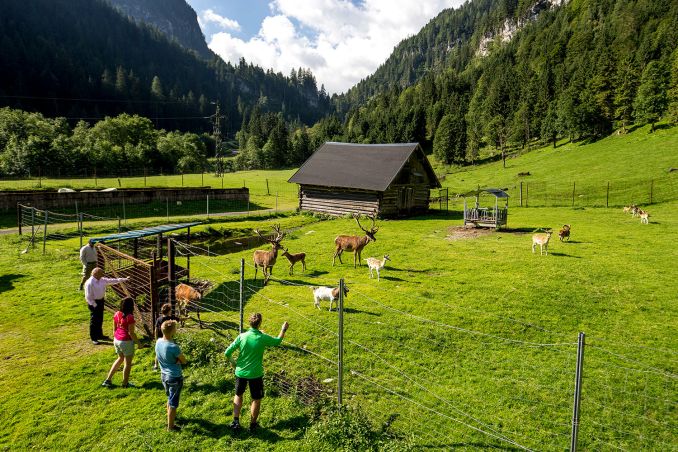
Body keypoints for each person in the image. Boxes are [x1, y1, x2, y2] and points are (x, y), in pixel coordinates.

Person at [225, 313, 289, 432]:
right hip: (255, 374)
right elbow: (277, 341)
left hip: (240, 372)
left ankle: (235, 422)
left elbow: (227, 352)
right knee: (256, 399)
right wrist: (283, 329)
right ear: (260, 323)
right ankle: (253, 425)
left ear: (249, 323)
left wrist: (234, 363)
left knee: (238, 395)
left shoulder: (242, 336)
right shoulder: (262, 337)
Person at [155, 319, 187, 431]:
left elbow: (159, 355)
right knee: (173, 403)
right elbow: (184, 361)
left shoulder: (158, 342)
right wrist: (178, 360)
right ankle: (170, 427)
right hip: (174, 377)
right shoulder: (173, 347)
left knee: (169, 397)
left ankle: (170, 417)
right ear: (173, 331)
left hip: (164, 375)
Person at [84, 267, 129, 345]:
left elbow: (112, 281)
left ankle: (100, 335)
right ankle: (94, 338)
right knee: (94, 321)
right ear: (96, 274)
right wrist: (95, 305)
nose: (103, 275)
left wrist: (124, 279)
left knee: (100, 319)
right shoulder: (90, 283)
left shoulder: (101, 279)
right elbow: (88, 297)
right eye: (101, 273)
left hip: (101, 301)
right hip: (94, 303)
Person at [102, 297, 139, 388]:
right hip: (126, 341)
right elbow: (131, 333)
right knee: (127, 363)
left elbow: (114, 329)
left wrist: (116, 338)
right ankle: (125, 383)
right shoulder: (130, 317)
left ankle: (108, 380)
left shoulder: (117, 313)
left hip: (117, 340)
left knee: (120, 358)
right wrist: (139, 343)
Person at [153, 303, 180, 371]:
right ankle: (171, 362)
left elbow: (156, 329)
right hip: (168, 337)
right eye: (170, 310)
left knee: (158, 351)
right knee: (169, 350)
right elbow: (179, 319)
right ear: (169, 311)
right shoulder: (171, 318)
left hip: (160, 337)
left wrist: (156, 339)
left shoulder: (159, 319)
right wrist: (188, 318)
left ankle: (156, 365)